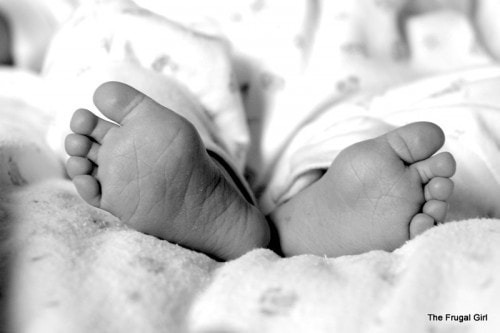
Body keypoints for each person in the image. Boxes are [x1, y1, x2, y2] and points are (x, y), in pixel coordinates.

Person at [47, 0, 499, 260]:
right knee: (107, 54)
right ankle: (209, 178)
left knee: (103, 56)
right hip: (191, 60)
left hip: (370, 82)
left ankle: (310, 211)